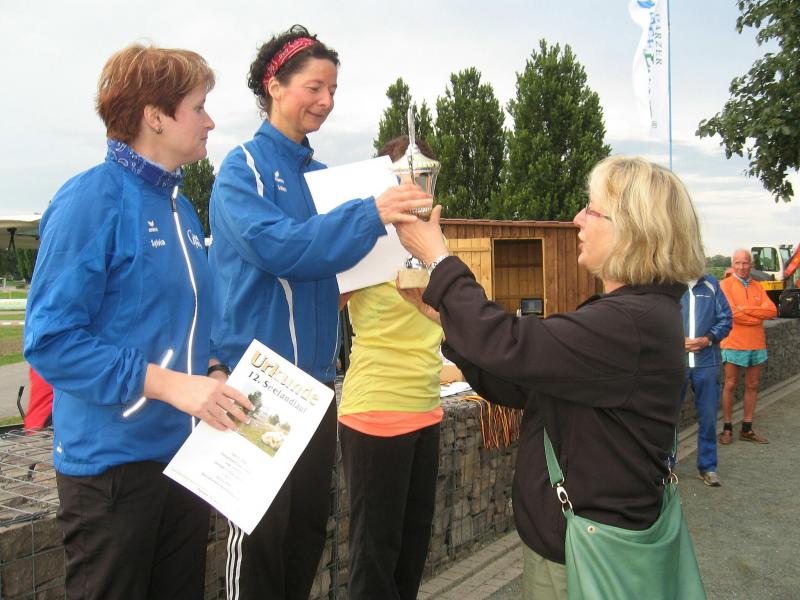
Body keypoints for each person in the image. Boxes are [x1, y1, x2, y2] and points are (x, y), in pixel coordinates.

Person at [395, 156, 705, 598]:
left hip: (585, 551)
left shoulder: (629, 323)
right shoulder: (639, 316)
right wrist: (447, 319)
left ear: (632, 229)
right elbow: (522, 382)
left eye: (592, 209)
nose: (578, 218)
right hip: (578, 539)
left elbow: (509, 342)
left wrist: (438, 258)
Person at [208, 25, 431, 600]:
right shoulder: (242, 168)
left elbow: (337, 273)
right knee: (258, 544)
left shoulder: (323, 178)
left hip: (315, 386)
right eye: (314, 87)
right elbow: (280, 248)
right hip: (257, 386)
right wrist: (371, 214)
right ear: (274, 86)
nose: (326, 101)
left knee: (304, 539)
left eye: (333, 89)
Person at [23, 44, 252, 600]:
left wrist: (213, 369)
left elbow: (187, 321)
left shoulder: (182, 207)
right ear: (155, 116)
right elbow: (49, 341)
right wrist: (169, 385)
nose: (210, 122)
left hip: (184, 458)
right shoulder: (90, 201)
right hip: (112, 472)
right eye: (198, 107)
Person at [338, 136, 443, 600]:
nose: (417, 184)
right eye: (407, 175)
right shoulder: (367, 242)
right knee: (374, 559)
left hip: (427, 407)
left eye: (424, 175)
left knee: (410, 555)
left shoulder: (433, 238)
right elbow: (325, 301)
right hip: (376, 411)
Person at [718, 248, 777, 444]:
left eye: (745, 263)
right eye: (738, 263)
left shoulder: (758, 286)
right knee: (730, 384)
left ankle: (746, 428)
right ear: (732, 264)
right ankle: (727, 428)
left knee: (753, 385)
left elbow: (772, 311)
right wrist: (755, 316)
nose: (741, 267)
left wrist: (745, 309)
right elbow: (731, 313)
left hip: (757, 343)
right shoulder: (724, 285)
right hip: (733, 342)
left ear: (751, 265)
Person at [680, 275, 732, 486]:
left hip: (707, 362)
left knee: (708, 417)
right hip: (676, 362)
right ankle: (664, 467)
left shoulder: (711, 284)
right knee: (667, 418)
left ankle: (708, 467)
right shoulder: (669, 282)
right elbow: (657, 321)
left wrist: (708, 339)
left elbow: (726, 319)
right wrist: (675, 340)